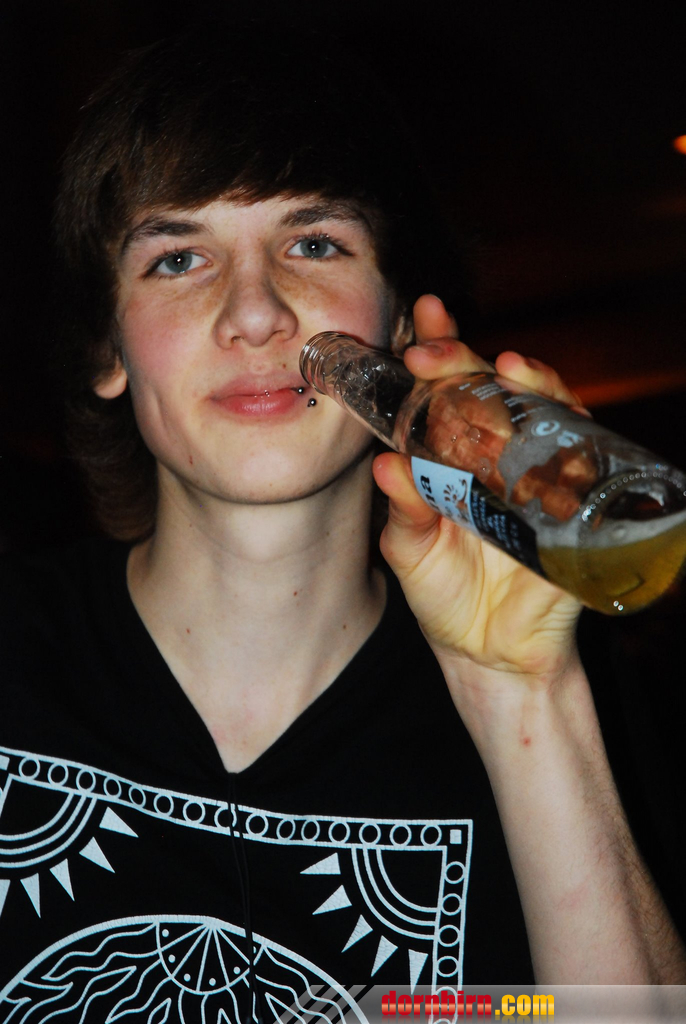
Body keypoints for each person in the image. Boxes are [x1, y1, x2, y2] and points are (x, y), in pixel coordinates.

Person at [1, 24, 684, 1018]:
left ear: (400, 323)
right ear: (110, 350)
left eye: (313, 243)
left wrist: (523, 692)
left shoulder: (572, 718)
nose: (255, 312)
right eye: (179, 257)